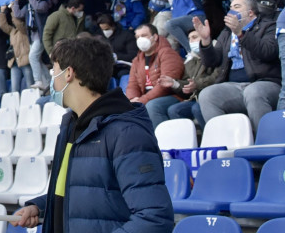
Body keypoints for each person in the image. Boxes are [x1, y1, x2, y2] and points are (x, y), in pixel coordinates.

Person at [10, 36, 174, 232]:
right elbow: (77, 192)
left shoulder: (127, 134)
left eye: (53, 71)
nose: (52, 78)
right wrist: (39, 208)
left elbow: (154, 217)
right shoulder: (71, 126)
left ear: (68, 73)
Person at [193, 0, 281, 133]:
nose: (231, 10)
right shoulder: (227, 33)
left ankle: (265, 141)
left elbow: (268, 52)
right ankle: (226, 143)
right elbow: (212, 61)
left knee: (253, 92)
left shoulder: (268, 26)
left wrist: (241, 33)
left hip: (266, 84)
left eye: (237, 7)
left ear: (250, 12)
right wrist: (206, 41)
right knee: (207, 95)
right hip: (234, 87)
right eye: (230, 7)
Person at [159, 29, 221, 128]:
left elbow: (216, 77)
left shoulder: (217, 54)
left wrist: (196, 84)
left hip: (212, 96)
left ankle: (210, 136)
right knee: (174, 110)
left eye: (195, 37)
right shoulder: (191, 61)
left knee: (197, 108)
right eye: (189, 39)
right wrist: (175, 84)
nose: (191, 41)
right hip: (195, 98)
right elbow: (187, 83)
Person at [126, 24, 184, 127]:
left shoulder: (167, 53)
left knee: (153, 106)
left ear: (155, 37)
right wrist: (132, 99)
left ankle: (162, 141)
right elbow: (132, 84)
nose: (140, 39)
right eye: (137, 37)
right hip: (147, 98)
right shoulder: (137, 60)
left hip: (171, 96)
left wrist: (142, 100)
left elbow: (165, 85)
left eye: (144, 35)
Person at [0, 0, 33, 92]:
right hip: (14, 62)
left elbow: (18, 23)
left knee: (31, 86)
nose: (13, 20)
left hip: (25, 61)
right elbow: (3, 25)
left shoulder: (24, 29)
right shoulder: (12, 31)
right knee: (14, 89)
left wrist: (13, 10)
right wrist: (2, 12)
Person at [94, 14, 136, 80]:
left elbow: (133, 55)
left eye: (107, 29)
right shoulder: (100, 36)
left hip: (124, 67)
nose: (105, 32)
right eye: (103, 30)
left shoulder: (127, 35)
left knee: (122, 74)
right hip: (107, 67)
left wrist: (116, 56)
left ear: (113, 26)